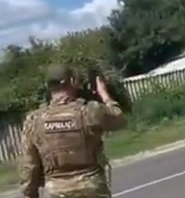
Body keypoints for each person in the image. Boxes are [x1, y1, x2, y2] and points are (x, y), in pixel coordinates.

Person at [17, 64, 127, 198]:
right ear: (72, 81)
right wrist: (105, 95)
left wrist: (30, 193)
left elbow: (29, 164)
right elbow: (119, 119)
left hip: (56, 190)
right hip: (91, 187)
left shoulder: (34, 120)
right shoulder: (90, 111)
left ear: (48, 86)